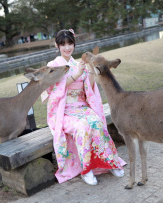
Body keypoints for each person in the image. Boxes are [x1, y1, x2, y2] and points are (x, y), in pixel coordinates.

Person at [41, 29, 126, 185]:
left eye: (70, 44)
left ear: (74, 44)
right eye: (63, 44)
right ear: (57, 46)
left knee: (97, 123)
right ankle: (86, 170)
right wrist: (77, 75)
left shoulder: (78, 63)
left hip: (81, 107)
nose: (67, 48)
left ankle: (110, 162)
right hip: (64, 111)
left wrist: (91, 71)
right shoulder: (53, 65)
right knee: (82, 127)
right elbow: (53, 90)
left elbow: (90, 88)